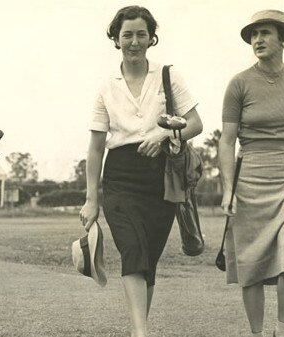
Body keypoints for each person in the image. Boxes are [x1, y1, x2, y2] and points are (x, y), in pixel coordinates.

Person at [79, 6, 203, 337]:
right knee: (133, 250)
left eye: (141, 34)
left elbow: (195, 124)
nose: (134, 42)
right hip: (119, 178)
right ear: (116, 40)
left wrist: (165, 134)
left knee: (148, 260)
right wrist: (92, 199)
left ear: (151, 38)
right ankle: (140, 334)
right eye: (127, 35)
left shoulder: (168, 75)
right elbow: (95, 148)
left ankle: (139, 329)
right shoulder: (106, 86)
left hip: (161, 179)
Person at [218, 10, 284, 337]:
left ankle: (282, 330)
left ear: (283, 39)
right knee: (251, 265)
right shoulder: (238, 83)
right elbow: (226, 140)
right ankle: (257, 334)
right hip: (249, 179)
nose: (257, 40)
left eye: (264, 33)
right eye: (253, 35)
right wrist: (227, 189)